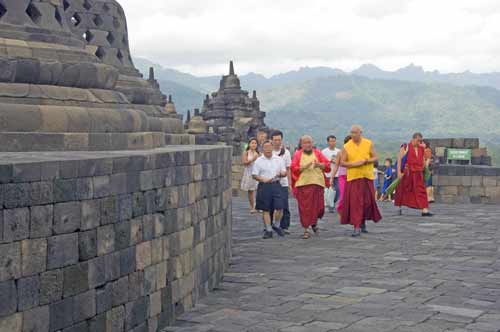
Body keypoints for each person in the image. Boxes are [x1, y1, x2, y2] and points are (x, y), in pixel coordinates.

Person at [340, 125, 382, 237]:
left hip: (367, 177)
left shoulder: (368, 143)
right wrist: (354, 164)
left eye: (355, 133)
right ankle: (356, 227)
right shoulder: (346, 146)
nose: (353, 135)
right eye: (352, 133)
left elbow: (376, 157)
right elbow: (342, 162)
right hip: (353, 178)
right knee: (355, 203)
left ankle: (362, 222)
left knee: (367, 202)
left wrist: (366, 161)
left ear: (360, 133)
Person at [291, 135, 331, 239]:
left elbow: (327, 166)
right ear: (301, 144)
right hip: (303, 185)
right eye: (305, 143)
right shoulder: (298, 154)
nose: (308, 145)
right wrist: (304, 167)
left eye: (309, 142)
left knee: (319, 208)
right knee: (305, 208)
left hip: (317, 184)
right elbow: (293, 168)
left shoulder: (317, 153)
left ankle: (313, 223)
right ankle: (306, 229)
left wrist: (319, 165)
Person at [252, 140, 287, 239]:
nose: (267, 149)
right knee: (265, 208)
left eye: (269, 147)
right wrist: (262, 179)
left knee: (280, 206)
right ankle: (268, 229)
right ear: (262, 149)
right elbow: (254, 174)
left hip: (276, 184)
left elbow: (284, 172)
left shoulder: (279, 159)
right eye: (265, 147)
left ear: (272, 147)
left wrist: (280, 174)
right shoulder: (259, 161)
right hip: (264, 185)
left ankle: (276, 225)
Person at [394, 133, 433, 216]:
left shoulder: (421, 148)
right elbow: (399, 160)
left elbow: (422, 160)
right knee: (402, 190)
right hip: (407, 173)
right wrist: (398, 172)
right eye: (418, 140)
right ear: (413, 139)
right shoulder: (405, 147)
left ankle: (424, 210)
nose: (419, 142)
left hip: (418, 173)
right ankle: (399, 207)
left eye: (420, 141)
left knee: (421, 191)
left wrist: (425, 170)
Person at [271, 130, 292, 234]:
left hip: (283, 182)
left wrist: (290, 183)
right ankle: (269, 226)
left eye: (279, 140)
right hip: (270, 182)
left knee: (284, 205)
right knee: (270, 205)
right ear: (271, 140)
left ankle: (284, 226)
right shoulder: (268, 151)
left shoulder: (286, 152)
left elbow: (288, 169)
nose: (277, 142)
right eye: (275, 140)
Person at [331, 135, 351, 221]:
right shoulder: (340, 153)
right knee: (343, 195)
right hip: (342, 176)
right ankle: (340, 209)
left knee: (351, 197)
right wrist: (332, 177)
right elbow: (336, 166)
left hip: (352, 176)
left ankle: (349, 214)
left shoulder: (355, 153)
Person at [321, 135, 341, 213]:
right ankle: (331, 205)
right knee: (330, 191)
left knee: (338, 190)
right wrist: (330, 161)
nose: (333, 143)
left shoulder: (339, 151)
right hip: (328, 174)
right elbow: (322, 163)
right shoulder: (324, 152)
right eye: (331, 141)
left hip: (337, 174)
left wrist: (336, 161)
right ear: (328, 142)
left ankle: (332, 202)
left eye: (334, 141)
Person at [240, 138, 260, 213]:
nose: (254, 144)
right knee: (251, 190)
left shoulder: (258, 153)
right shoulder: (246, 152)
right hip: (249, 172)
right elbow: (244, 162)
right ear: (249, 144)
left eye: (255, 143)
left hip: (257, 172)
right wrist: (253, 159)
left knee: (258, 189)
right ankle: (252, 206)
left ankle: (259, 206)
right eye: (252, 143)